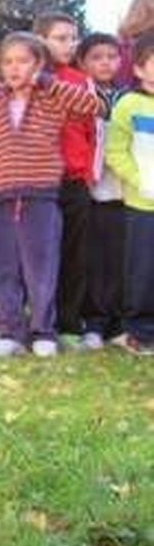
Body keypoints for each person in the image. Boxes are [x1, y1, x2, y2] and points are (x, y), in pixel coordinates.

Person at [0, 32, 102, 358]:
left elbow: (93, 106)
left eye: (22, 61)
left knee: (40, 266)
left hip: (41, 193)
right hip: (1, 192)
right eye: (7, 62)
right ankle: (10, 331)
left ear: (39, 64)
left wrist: (48, 82)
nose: (14, 68)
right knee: (5, 265)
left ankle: (42, 330)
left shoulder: (52, 96)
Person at [34, 11, 93, 344]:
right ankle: (38, 320)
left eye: (73, 38)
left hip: (74, 179)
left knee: (74, 253)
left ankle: (69, 323)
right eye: (61, 38)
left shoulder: (79, 79)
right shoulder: (26, 76)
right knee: (39, 254)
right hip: (38, 179)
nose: (69, 44)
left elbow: (91, 130)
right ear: (41, 40)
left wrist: (87, 170)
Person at [104, 36, 154, 353]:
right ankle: (140, 331)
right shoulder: (128, 105)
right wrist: (140, 181)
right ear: (138, 68)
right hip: (142, 204)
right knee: (143, 270)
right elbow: (115, 152)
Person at [77, 32, 128, 348]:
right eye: (97, 57)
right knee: (92, 260)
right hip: (91, 190)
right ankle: (93, 322)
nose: (105, 63)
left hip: (124, 191)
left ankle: (119, 322)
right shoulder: (79, 94)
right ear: (83, 62)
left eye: (111, 56)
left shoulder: (129, 97)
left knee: (121, 259)